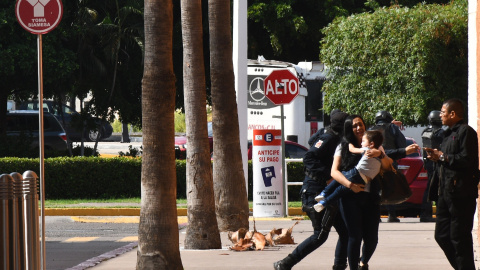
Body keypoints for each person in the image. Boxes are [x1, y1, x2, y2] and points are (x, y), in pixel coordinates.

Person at [274, 112, 349, 270]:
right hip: (315, 192)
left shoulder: (332, 135)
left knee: (345, 232)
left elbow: (310, 141)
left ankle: (340, 265)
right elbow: (309, 157)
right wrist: (328, 175)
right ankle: (285, 264)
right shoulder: (329, 137)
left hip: (328, 192)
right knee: (319, 235)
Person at [330, 115, 393, 270]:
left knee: (372, 239)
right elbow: (334, 172)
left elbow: (389, 167)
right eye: (354, 126)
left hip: (371, 197)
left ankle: (363, 262)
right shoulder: (344, 146)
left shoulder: (375, 145)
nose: (358, 128)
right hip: (349, 197)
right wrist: (349, 184)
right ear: (349, 129)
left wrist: (380, 154)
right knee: (355, 237)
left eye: (360, 124)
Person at [425, 98, 479, 270]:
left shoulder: (466, 132)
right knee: (441, 235)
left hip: (461, 194)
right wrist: (436, 156)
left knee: (459, 238)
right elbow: (445, 160)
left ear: (453, 114)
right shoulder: (446, 134)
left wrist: (443, 157)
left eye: (443, 112)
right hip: (444, 193)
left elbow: (467, 160)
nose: (440, 115)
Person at [313, 130, 385, 212]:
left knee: (341, 177)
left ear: (371, 144)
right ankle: (323, 203)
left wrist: (349, 142)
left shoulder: (367, 150)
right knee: (341, 189)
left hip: (356, 173)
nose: (361, 143)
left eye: (363, 141)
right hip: (364, 180)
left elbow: (352, 149)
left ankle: (324, 193)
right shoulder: (380, 156)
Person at [370, 110, 408, 222]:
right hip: (389, 160)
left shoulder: (370, 129)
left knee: (375, 188)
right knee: (390, 187)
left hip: (373, 162)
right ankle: (392, 214)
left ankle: (376, 215)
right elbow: (402, 144)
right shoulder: (393, 128)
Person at [419, 110, 445, 222]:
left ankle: (425, 213)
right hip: (437, 162)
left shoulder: (426, 131)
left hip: (428, 163)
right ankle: (438, 213)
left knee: (429, 188)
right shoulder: (440, 132)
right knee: (439, 188)